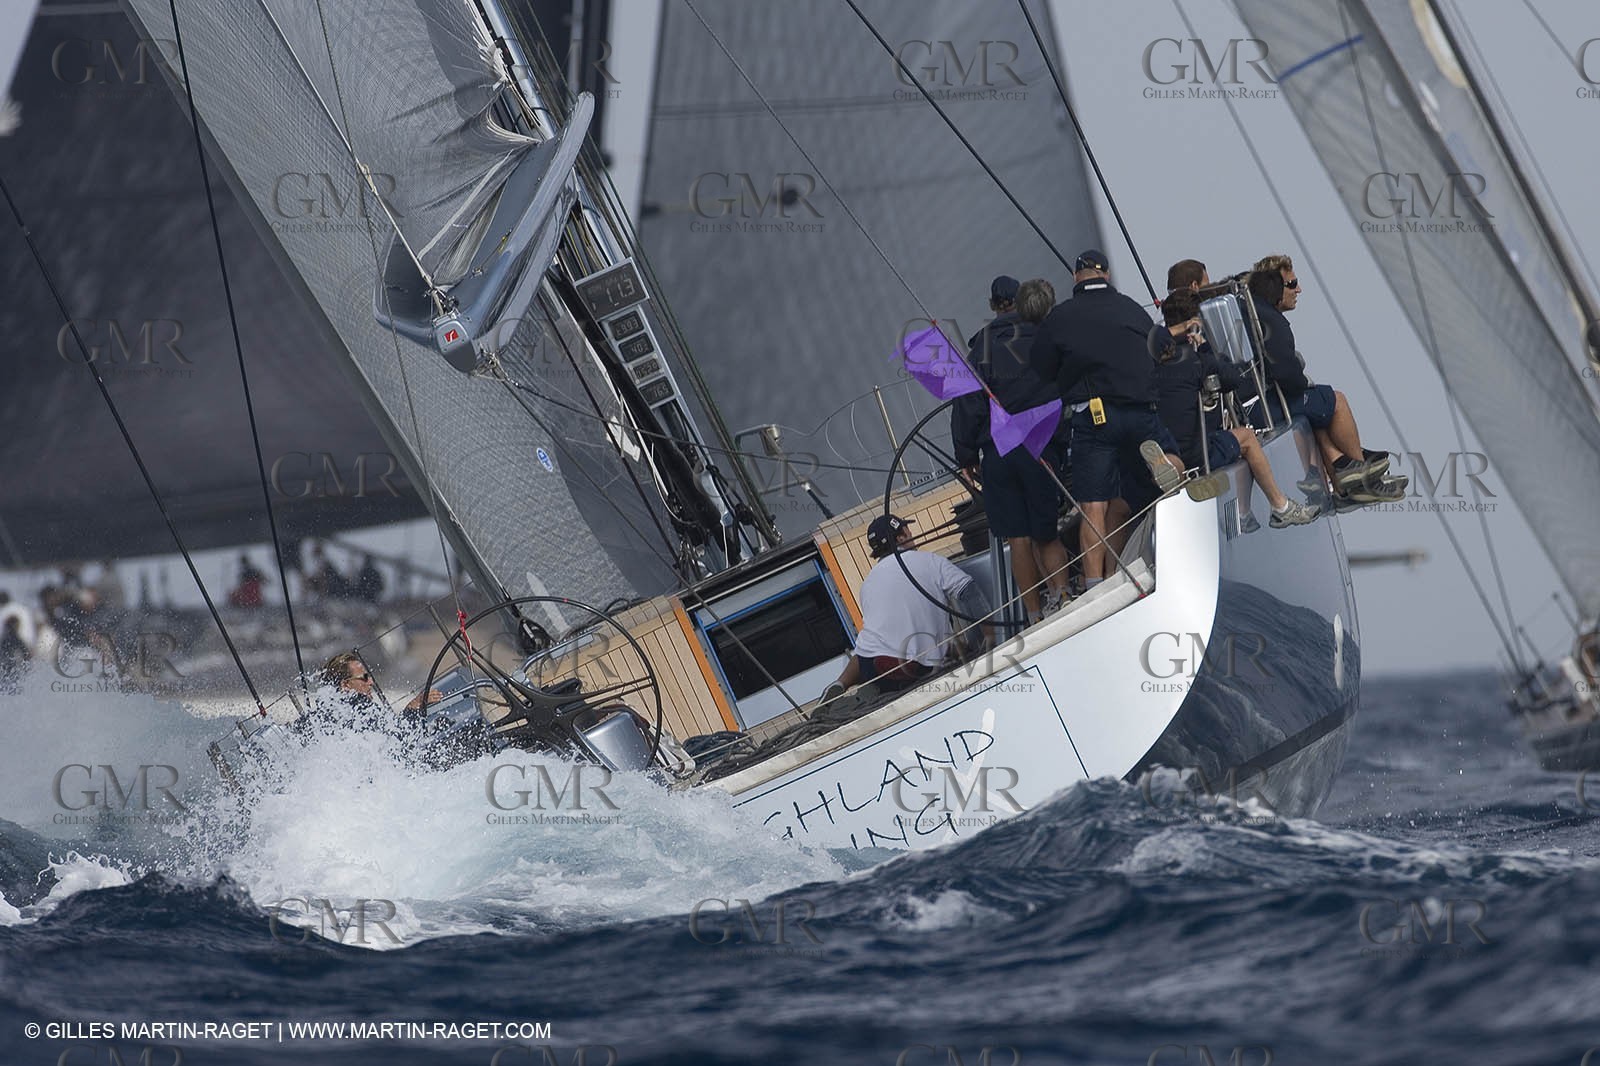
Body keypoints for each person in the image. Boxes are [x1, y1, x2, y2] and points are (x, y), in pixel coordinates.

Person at [1031, 249, 1185, 591]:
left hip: (1095, 416)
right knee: (1168, 455)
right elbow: (1163, 350)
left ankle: (1095, 584)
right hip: (1141, 409)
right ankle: (1169, 467)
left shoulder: (1061, 317)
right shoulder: (1131, 308)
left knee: (1094, 505)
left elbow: (1041, 370)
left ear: (1075, 277)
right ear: (1108, 275)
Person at [952, 275, 1070, 622]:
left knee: (1018, 538)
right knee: (1046, 532)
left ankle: (1034, 615)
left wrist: (967, 456)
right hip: (1039, 445)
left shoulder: (979, 350)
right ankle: (1063, 598)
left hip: (999, 452)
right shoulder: (1043, 337)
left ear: (993, 306)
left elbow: (967, 405)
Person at [1153, 291, 1318, 529]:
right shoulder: (1199, 360)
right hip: (1197, 452)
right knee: (1247, 437)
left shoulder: (1151, 357)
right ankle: (1280, 506)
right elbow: (1232, 379)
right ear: (1194, 323)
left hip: (1165, 443)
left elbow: (1158, 336)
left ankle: (1171, 470)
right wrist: (1205, 347)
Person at [1249, 255, 1405, 501]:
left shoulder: (1254, 314)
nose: (1298, 289)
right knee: (1334, 400)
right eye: (1292, 284)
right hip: (1260, 410)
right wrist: (1304, 384)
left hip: (1257, 406)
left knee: (1315, 418)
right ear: (1275, 287)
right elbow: (1286, 372)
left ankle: (1341, 474)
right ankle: (1361, 473)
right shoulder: (1270, 320)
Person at [819, 515, 989, 701]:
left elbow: (904, 628)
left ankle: (841, 684)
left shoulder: (868, 582)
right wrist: (991, 638)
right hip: (905, 667)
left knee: (867, 646)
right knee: (900, 658)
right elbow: (968, 591)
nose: (912, 535)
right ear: (900, 538)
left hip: (869, 665)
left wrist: (955, 649)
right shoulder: (930, 561)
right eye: (907, 531)